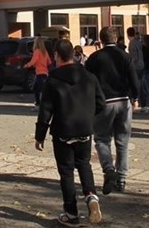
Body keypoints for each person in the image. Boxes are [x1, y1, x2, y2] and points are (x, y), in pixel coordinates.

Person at [35, 39, 106, 226]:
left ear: (57, 55)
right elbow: (101, 103)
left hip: (62, 130)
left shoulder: (53, 79)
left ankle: (71, 213)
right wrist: (88, 115)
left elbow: (45, 110)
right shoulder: (89, 76)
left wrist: (39, 135)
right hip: (84, 128)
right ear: (74, 54)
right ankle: (91, 196)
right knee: (84, 164)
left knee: (66, 172)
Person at [84, 26, 140, 195]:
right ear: (116, 38)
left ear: (101, 39)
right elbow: (133, 79)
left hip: (103, 102)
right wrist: (135, 97)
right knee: (123, 141)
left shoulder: (94, 58)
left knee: (101, 139)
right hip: (123, 101)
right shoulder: (125, 56)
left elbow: (87, 82)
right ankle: (122, 179)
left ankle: (109, 169)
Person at [25, 36, 52, 111]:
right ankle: (40, 104)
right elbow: (49, 62)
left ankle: (39, 105)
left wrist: (27, 65)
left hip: (39, 73)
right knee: (41, 89)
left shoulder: (37, 51)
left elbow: (33, 61)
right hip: (45, 73)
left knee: (37, 90)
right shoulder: (45, 52)